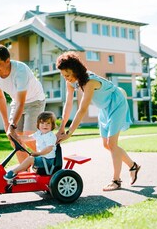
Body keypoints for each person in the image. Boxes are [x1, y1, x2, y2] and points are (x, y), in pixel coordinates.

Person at [56, 51, 140, 191]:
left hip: (117, 104)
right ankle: (133, 166)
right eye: (63, 75)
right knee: (106, 145)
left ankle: (116, 181)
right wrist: (61, 128)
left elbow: (82, 110)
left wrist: (69, 133)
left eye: (68, 75)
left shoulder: (89, 82)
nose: (66, 78)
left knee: (112, 144)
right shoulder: (71, 82)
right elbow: (68, 104)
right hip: (104, 108)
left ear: (76, 71)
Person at [0, 44, 46, 163]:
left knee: (29, 136)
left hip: (35, 101)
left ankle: (49, 160)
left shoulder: (20, 70)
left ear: (7, 61)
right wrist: (6, 124)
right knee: (14, 139)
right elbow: (0, 97)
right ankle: (25, 171)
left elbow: (22, 102)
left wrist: (12, 125)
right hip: (17, 102)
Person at [3, 111, 57, 180]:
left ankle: (14, 172)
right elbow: (29, 137)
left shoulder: (50, 136)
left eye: (48, 123)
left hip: (48, 161)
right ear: (38, 125)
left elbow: (49, 149)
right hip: (42, 159)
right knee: (30, 158)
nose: (45, 125)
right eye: (42, 123)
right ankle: (22, 173)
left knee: (30, 158)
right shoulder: (39, 133)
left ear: (52, 125)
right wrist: (17, 137)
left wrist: (38, 153)